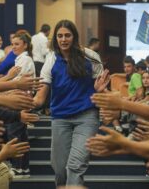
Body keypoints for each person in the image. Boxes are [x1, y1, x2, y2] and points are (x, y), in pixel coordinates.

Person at [33, 19, 105, 186]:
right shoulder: (51, 59)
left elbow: (102, 90)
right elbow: (40, 97)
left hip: (87, 116)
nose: (63, 39)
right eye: (59, 36)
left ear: (74, 37)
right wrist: (22, 102)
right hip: (60, 117)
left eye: (67, 35)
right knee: (59, 168)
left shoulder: (91, 56)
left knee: (75, 165)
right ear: (55, 38)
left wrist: (100, 91)